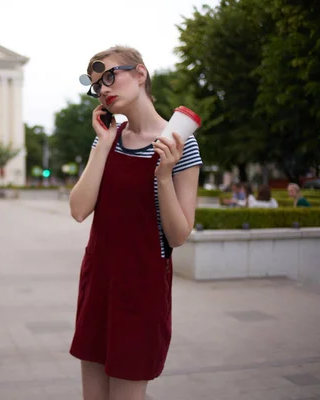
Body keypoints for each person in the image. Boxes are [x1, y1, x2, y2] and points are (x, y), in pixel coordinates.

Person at [69, 46, 202, 400]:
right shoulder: (107, 139)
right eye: (96, 85)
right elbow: (79, 209)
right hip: (99, 282)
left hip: (142, 287)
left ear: (140, 74)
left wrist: (163, 174)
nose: (104, 89)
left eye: (110, 76)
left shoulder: (180, 144)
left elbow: (178, 234)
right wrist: (103, 143)